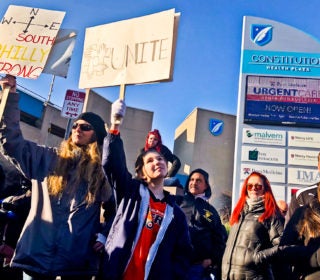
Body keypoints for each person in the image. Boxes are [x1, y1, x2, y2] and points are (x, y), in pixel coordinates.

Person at [0, 74, 116, 279]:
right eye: (75, 126)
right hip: (36, 260)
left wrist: (104, 233)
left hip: (75, 265)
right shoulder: (47, 158)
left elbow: (112, 209)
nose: (77, 129)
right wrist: (10, 96)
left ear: (95, 135)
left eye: (85, 127)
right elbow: (11, 143)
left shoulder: (100, 175)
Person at [101, 99, 192, 280]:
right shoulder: (130, 192)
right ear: (142, 172)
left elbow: (182, 255)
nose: (157, 162)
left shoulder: (177, 215)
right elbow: (111, 164)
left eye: (159, 159)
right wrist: (115, 125)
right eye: (150, 161)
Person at [221, 171, 284, 280]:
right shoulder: (239, 213)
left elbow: (282, 246)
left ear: (264, 189)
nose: (253, 188)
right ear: (246, 188)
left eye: (258, 186)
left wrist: (257, 257)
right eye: (250, 186)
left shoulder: (270, 214)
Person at [179, 168, 227, 280]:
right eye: (191, 179)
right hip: (177, 263)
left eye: (198, 180)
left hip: (198, 268)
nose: (194, 183)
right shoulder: (178, 202)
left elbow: (219, 239)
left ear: (206, 186)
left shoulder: (211, 211)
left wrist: (211, 260)